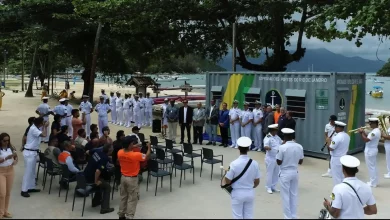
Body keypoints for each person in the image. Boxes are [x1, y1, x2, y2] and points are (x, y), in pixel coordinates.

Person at [223, 136, 260, 219]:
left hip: (237, 192)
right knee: (249, 216)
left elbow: (227, 181)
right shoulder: (255, 163)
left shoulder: (234, 164)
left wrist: (226, 174)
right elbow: (257, 181)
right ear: (249, 149)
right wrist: (249, 187)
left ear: (238, 148)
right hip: (250, 192)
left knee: (237, 216)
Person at [117, 136, 152, 219]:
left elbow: (127, 150)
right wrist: (149, 147)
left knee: (123, 197)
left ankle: (121, 215)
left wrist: (135, 146)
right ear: (130, 145)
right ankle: (129, 216)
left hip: (123, 177)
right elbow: (147, 156)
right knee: (132, 199)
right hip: (132, 179)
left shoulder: (120, 152)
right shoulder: (135, 155)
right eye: (132, 144)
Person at [276, 128, 304, 219]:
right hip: (295, 172)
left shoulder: (282, 147)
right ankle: (294, 215)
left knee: (285, 196)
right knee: (294, 194)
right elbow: (300, 161)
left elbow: (278, 162)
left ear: (284, 137)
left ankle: (287, 217)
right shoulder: (299, 146)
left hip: (285, 173)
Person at [21, 117, 49, 198]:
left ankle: (31, 187)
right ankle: (24, 190)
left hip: (33, 152)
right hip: (30, 152)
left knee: (32, 171)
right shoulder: (34, 129)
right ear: (40, 123)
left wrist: (43, 125)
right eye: (42, 122)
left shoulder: (35, 127)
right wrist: (45, 126)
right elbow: (44, 135)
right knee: (28, 172)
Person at [83, 144, 115, 214]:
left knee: (102, 181)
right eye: (112, 149)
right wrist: (96, 181)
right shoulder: (104, 158)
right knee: (107, 187)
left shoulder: (97, 152)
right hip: (91, 179)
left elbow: (89, 153)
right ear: (109, 150)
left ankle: (96, 202)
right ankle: (105, 208)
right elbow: (98, 171)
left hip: (85, 175)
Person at [358, 118, 381, 188]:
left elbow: (366, 140)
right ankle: (374, 181)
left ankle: (373, 183)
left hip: (370, 150)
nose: (369, 125)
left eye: (370, 123)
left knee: (371, 167)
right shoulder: (375, 131)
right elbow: (368, 137)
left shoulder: (374, 132)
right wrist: (363, 132)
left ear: (374, 123)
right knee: (373, 166)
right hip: (372, 150)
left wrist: (361, 133)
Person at [0, 133, 18, 218]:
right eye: (4, 141)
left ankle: (5, 211)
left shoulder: (11, 147)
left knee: (8, 192)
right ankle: (0, 212)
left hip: (10, 170)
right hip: (1, 171)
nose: (6, 142)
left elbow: (16, 157)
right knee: (2, 193)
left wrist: (15, 160)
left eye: (8, 140)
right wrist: (7, 158)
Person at [328, 121, 350, 186]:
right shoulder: (347, 135)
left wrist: (329, 141)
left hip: (336, 158)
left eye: (335, 127)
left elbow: (331, 148)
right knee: (342, 176)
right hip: (344, 157)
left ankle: (337, 193)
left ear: (338, 128)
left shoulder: (337, 137)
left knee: (336, 177)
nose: (335, 128)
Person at [264, 124, 282, 194]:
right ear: (272, 131)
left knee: (276, 173)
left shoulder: (277, 137)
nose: (276, 132)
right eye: (275, 130)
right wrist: (269, 148)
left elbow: (281, 143)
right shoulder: (267, 137)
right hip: (270, 158)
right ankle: (268, 187)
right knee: (270, 173)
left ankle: (273, 186)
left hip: (277, 157)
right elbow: (265, 146)